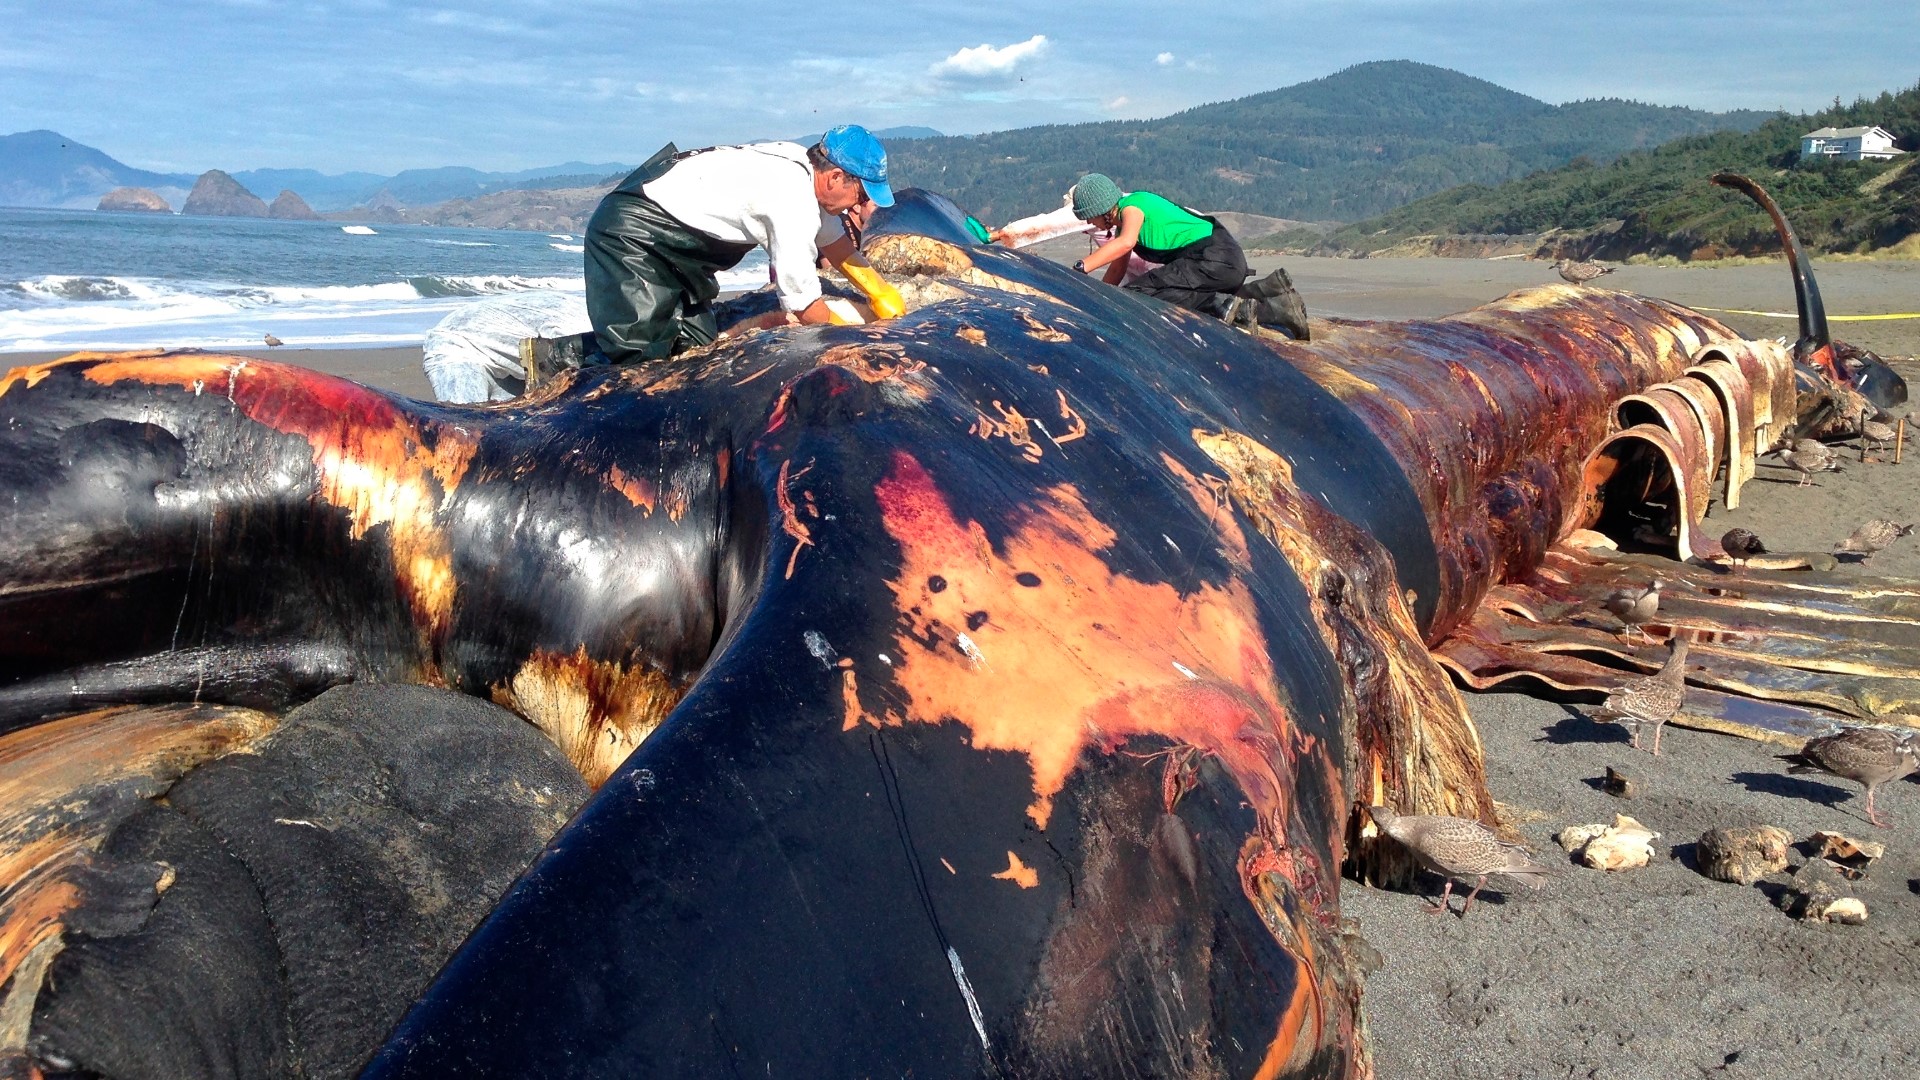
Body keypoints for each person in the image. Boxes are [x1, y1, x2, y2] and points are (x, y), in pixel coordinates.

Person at [584, 124, 899, 363]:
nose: (857, 206)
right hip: (633, 234)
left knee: (697, 354)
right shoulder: (792, 200)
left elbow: (836, 245)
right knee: (641, 363)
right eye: (861, 194)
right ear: (835, 177)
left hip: (680, 255)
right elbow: (803, 306)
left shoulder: (805, 171)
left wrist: (880, 291)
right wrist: (858, 335)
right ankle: (560, 359)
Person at [1066, 173, 1309, 340]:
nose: (1089, 222)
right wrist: (1096, 300)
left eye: (1088, 216)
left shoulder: (1132, 206)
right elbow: (1117, 270)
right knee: (1148, 289)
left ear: (1101, 208)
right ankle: (1272, 301)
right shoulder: (1123, 224)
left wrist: (1080, 268)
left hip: (1213, 258)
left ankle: (1227, 306)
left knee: (1137, 295)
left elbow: (1125, 243)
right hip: (1216, 261)